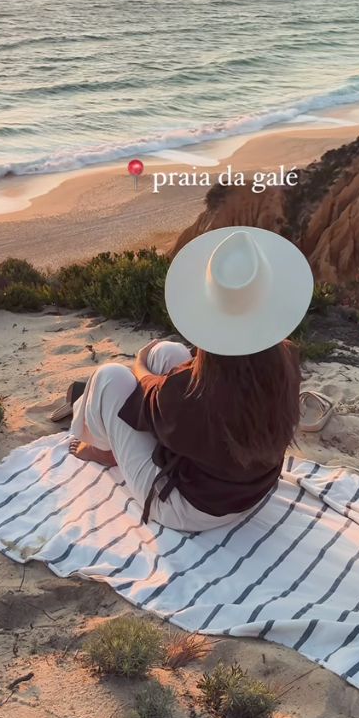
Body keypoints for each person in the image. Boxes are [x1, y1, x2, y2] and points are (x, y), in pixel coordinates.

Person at [67, 227, 311, 531]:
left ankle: (102, 448)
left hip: (191, 509)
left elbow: (153, 393)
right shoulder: (284, 359)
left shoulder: (191, 391)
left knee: (110, 377)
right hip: (253, 492)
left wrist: (140, 365)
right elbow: (173, 393)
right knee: (169, 352)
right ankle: (107, 435)